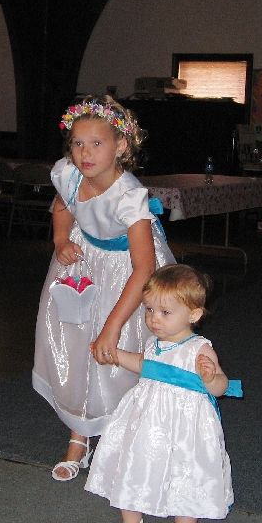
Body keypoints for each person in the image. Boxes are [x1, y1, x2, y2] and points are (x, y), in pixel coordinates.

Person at [32, 95, 176, 482]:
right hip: (84, 260)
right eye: (78, 143)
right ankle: (79, 437)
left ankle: (122, 442)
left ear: (121, 147)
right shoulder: (68, 173)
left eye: (97, 143)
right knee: (77, 345)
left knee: (116, 353)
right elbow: (63, 203)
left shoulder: (130, 196)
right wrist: (61, 241)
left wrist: (112, 325)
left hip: (129, 271)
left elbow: (143, 267)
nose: (85, 153)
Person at [84, 264, 242, 523]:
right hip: (146, 419)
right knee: (131, 464)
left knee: (185, 474)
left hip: (185, 426)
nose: (154, 319)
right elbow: (146, 365)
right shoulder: (153, 343)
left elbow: (222, 387)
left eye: (165, 312)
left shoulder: (199, 348)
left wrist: (210, 377)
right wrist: (115, 354)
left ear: (193, 315)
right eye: (149, 310)